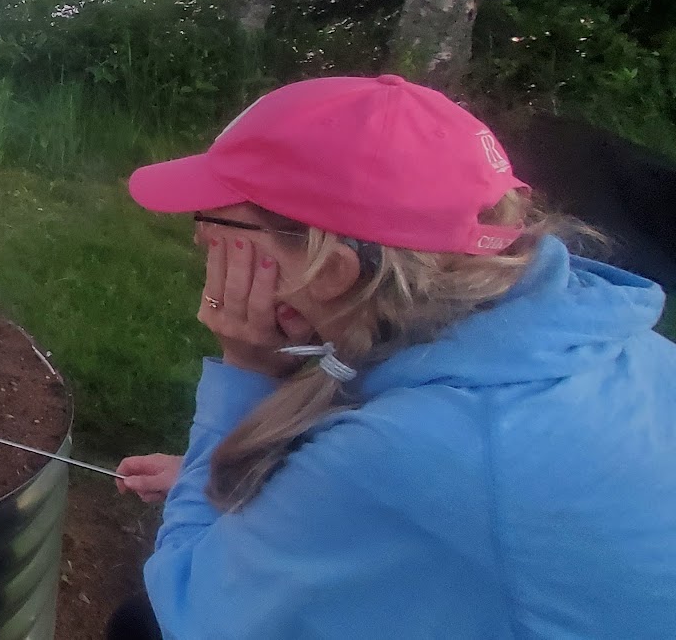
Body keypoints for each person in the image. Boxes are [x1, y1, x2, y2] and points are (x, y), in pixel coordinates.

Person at [106, 75, 676, 640]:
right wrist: (290, 495)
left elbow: (187, 609)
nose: (201, 240)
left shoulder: (412, 450)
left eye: (215, 222)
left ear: (330, 272)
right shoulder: (596, 340)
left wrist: (247, 370)